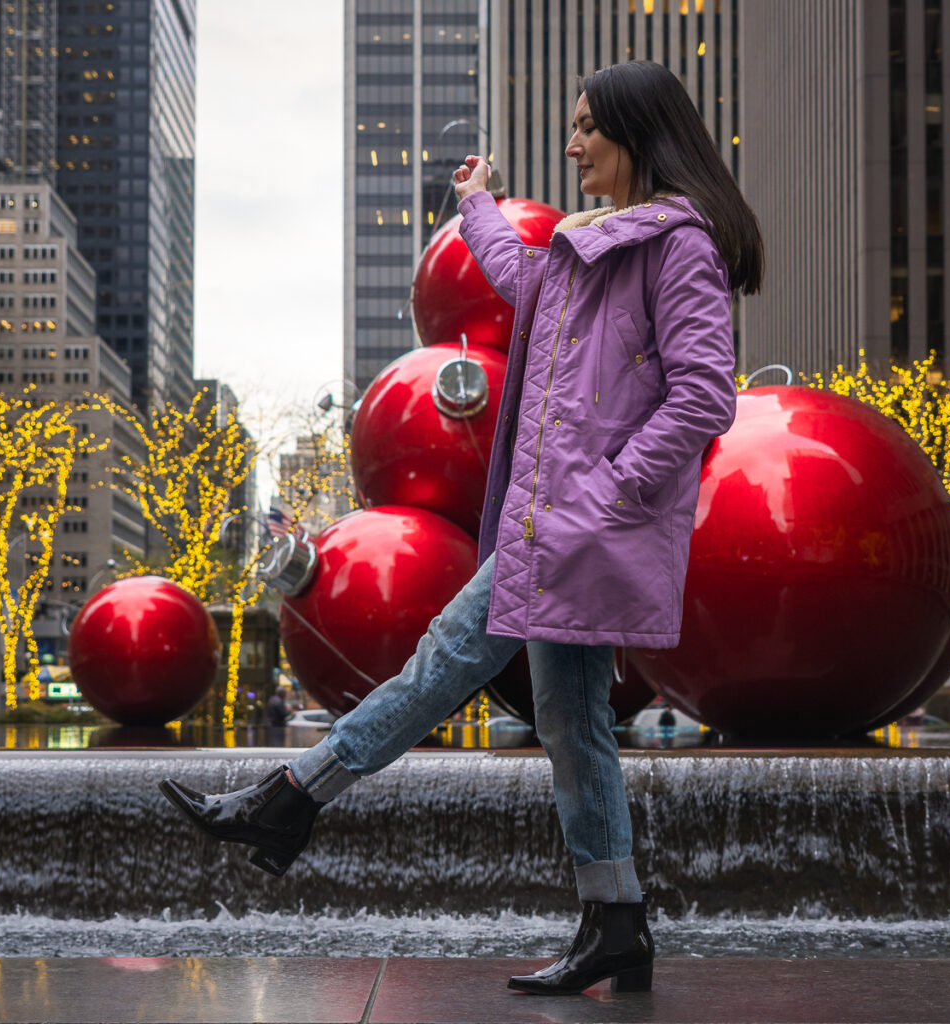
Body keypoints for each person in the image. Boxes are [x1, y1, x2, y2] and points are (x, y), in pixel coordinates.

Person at [160, 60, 763, 995]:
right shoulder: (590, 242)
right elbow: (529, 285)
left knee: (445, 658)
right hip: (552, 522)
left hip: (578, 526)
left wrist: (607, 494)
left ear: (637, 134)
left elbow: (701, 397)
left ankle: (291, 797)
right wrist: (477, 205)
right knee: (572, 724)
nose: (571, 147)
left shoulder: (677, 244)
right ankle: (617, 923)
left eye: (586, 129)